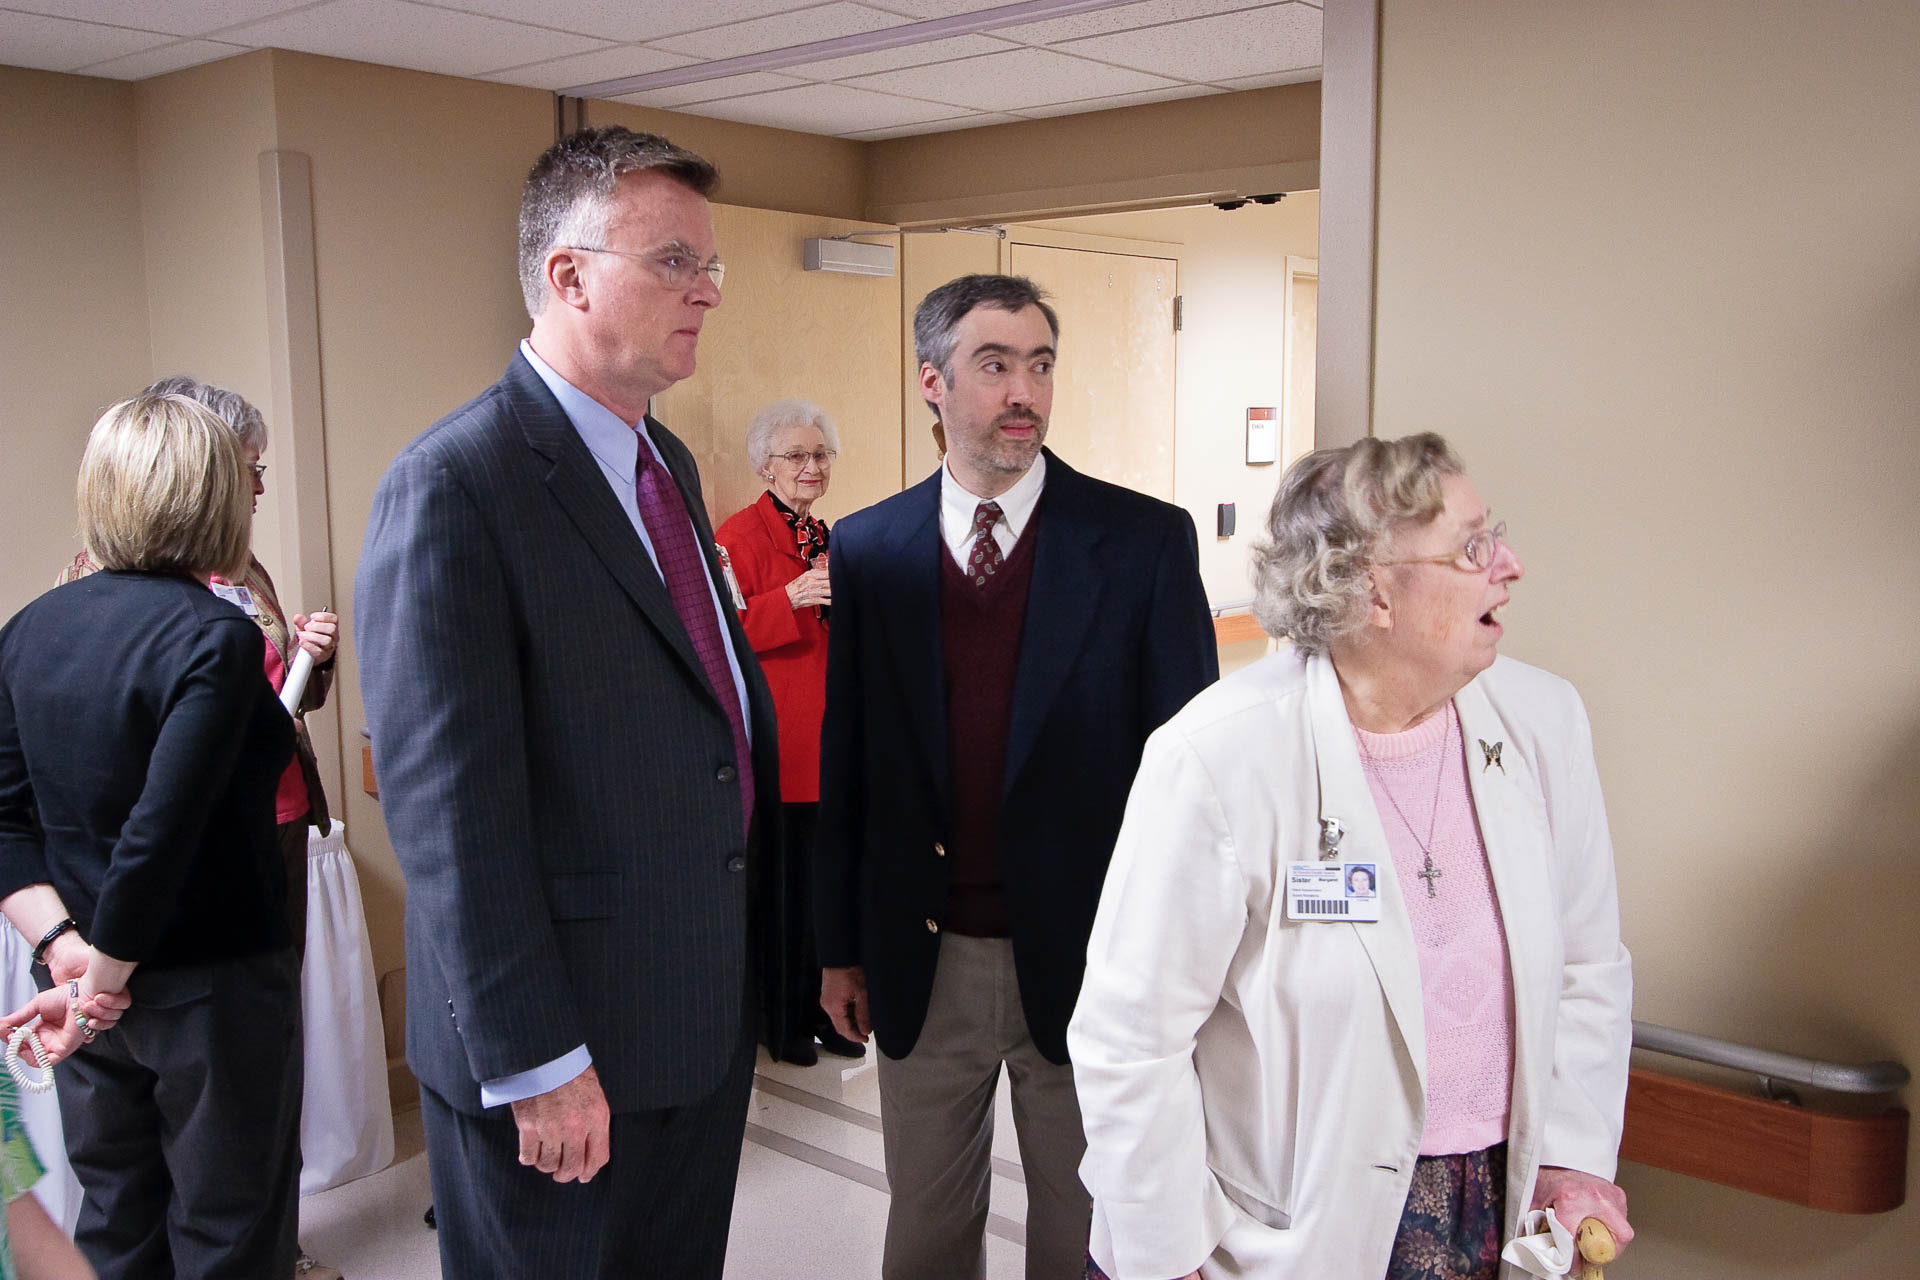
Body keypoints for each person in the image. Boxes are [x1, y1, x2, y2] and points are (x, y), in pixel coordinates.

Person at [355, 126, 781, 1279]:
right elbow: (450, 816)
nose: (706, 293)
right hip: (562, 1048)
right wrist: (538, 1056)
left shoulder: (665, 465)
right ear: (569, 274)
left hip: (687, 1014)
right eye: (676, 263)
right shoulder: (456, 484)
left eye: (710, 268)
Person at [1068, 434, 1635, 1280]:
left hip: (1493, 1202)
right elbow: (1130, 1039)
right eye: (1473, 546)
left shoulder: (1544, 722)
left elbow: (1589, 963)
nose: (1509, 564)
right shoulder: (1219, 758)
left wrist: (1574, 1151)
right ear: (1373, 589)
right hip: (1274, 1232)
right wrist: (1165, 1255)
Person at [816, 273, 1219, 1279]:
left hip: (1096, 958)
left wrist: (1192, 961)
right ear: (933, 383)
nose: (1022, 389)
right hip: (923, 953)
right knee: (925, 1231)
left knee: (1086, 1232)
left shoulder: (1140, 543)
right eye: (994, 364)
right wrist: (837, 947)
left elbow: (1196, 784)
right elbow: (848, 762)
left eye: (1039, 363)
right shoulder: (869, 548)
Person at [0, 392, 304, 1278]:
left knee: (118, 1208)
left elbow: (7, 818)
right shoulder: (216, 635)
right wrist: (102, 981)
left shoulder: (29, 629)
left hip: (83, 981)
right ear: (209, 499)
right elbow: (158, 837)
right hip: (204, 985)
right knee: (230, 1222)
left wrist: (65, 952)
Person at [56, 376, 337, 955]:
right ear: (194, 468)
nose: (259, 489)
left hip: (275, 804)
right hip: (184, 824)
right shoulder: (94, 584)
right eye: (248, 469)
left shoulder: (246, 568)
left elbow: (268, 683)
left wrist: (312, 660)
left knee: (274, 997)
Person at [715, 399, 864, 1065]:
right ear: (766, 466)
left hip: (836, 744)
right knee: (784, 895)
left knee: (829, 893)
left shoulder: (832, 537)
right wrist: (789, 600)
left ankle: (828, 1011)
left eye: (821, 454)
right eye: (797, 456)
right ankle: (782, 1022)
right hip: (780, 748)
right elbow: (717, 642)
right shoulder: (736, 537)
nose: (812, 467)